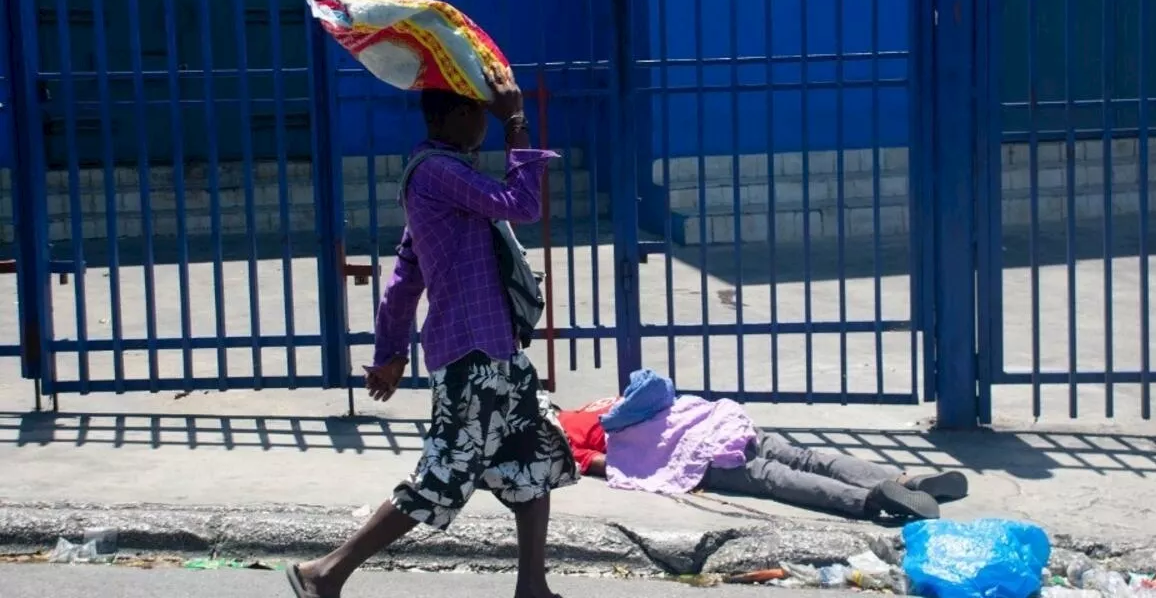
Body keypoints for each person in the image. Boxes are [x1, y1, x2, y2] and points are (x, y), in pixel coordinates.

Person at [287, 70, 577, 598]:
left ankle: (532, 586)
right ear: (448, 118)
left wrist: (390, 352)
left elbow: (403, 278)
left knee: (533, 461)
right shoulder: (438, 172)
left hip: (497, 354)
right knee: (442, 479)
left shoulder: (437, 180)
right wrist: (515, 121)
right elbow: (525, 206)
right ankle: (325, 572)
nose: (480, 124)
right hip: (471, 356)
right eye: (474, 113)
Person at [557, 397, 968, 521]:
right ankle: (905, 479)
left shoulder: (558, 440)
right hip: (720, 422)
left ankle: (872, 499)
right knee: (802, 456)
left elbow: (612, 466)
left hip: (703, 454)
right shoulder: (594, 405)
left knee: (771, 478)